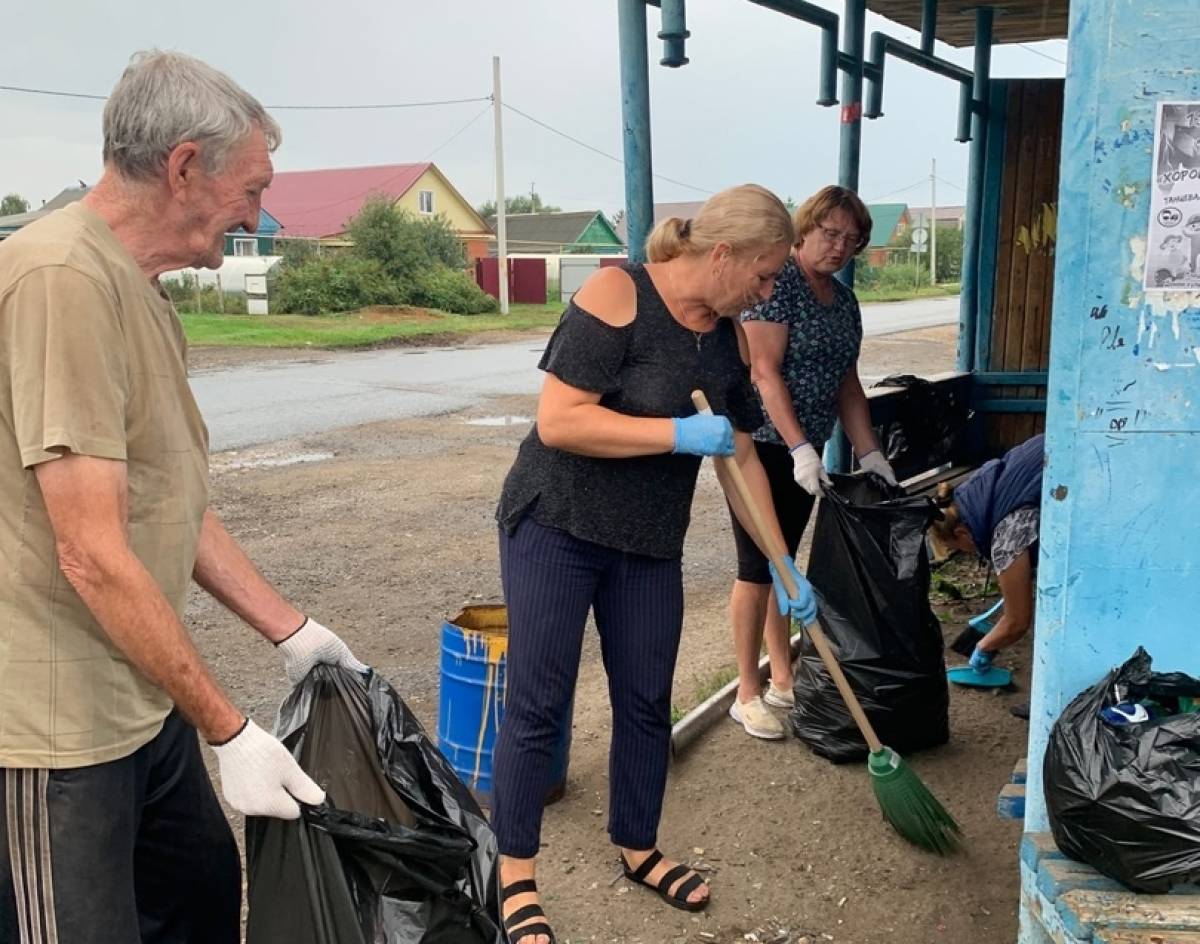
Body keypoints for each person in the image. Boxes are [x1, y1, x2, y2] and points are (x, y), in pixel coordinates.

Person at [0, 51, 366, 943]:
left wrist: (293, 631)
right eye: (252, 188)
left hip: (135, 694)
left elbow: (173, 502)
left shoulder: (142, 291)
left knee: (199, 896)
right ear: (184, 168)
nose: (257, 214)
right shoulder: (62, 280)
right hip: (53, 728)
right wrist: (230, 728)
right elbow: (90, 550)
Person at [491, 184, 818, 943]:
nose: (768, 292)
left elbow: (737, 452)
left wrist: (781, 561)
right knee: (540, 702)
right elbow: (560, 420)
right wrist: (674, 434)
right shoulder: (618, 295)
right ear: (723, 252)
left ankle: (637, 845)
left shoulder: (727, 337)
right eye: (765, 275)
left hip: (646, 543)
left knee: (646, 700)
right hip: (557, 527)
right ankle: (513, 872)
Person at [725, 185, 897, 740]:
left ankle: (782, 676)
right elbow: (764, 372)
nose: (840, 246)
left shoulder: (843, 302)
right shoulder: (779, 288)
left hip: (805, 451)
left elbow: (848, 386)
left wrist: (870, 451)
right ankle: (746, 694)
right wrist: (799, 446)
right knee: (757, 567)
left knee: (787, 565)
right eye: (831, 234)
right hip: (763, 447)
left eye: (852, 239)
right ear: (806, 230)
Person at [928, 434, 1046, 671]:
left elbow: (1017, 621)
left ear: (961, 533)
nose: (967, 553)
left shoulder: (1006, 536)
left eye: (956, 548)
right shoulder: (981, 490)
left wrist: (984, 646)